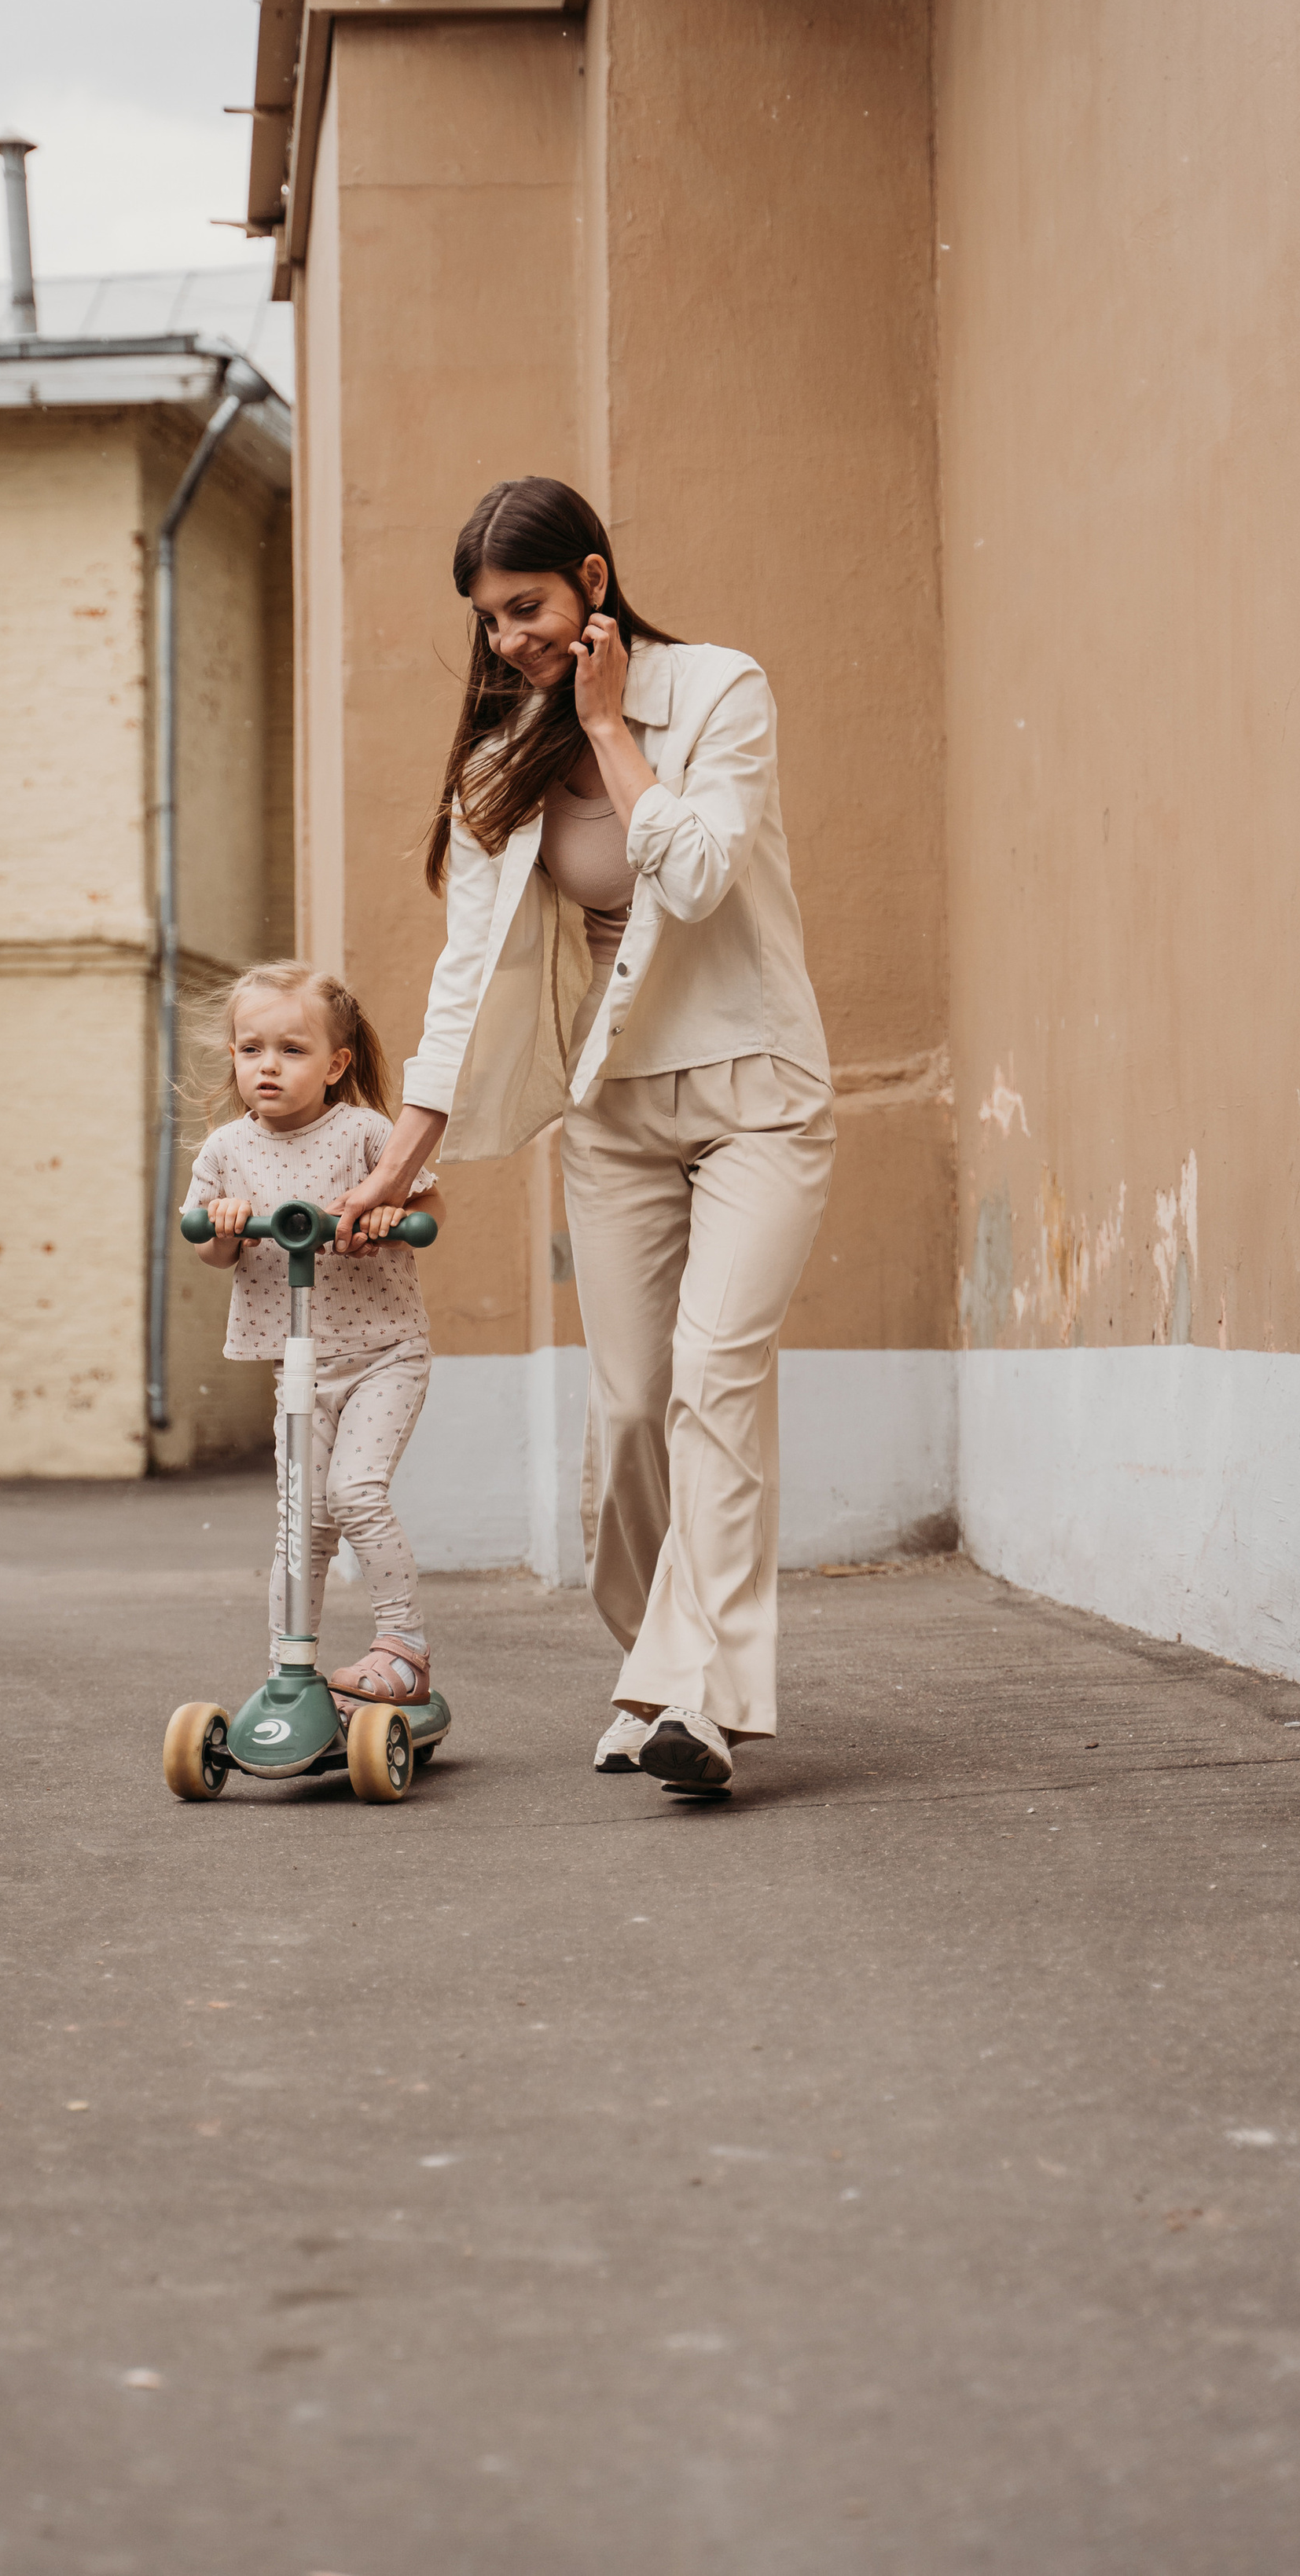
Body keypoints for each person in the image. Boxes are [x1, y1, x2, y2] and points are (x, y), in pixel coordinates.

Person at [336, 476, 834, 1796]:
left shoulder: (722, 691)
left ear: (595, 584)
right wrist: (402, 1151)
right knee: (626, 1416)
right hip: (611, 1112)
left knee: (714, 1382)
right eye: (491, 621)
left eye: (530, 608)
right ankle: (656, 1669)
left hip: (756, 1094)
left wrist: (612, 730)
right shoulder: (503, 760)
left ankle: (694, 1704)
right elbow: (466, 968)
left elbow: (699, 873)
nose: (510, 642)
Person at [187, 960, 443, 1709]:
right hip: (300, 1370)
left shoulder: (366, 1133)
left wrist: (393, 1216)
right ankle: (288, 1671)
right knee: (302, 1521)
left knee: (355, 1493)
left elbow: (430, 1206)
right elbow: (207, 1242)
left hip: (383, 1354)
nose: (268, 1065)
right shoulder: (226, 1151)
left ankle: (405, 1648)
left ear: (336, 1064)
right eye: (250, 1049)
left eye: (292, 1050)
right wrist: (226, 1226)